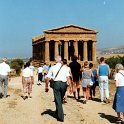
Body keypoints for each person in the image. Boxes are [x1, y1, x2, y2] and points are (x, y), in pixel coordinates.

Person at [45, 56, 71, 122]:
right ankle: (58, 113)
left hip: (56, 84)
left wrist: (46, 86)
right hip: (64, 85)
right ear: (61, 60)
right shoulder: (65, 68)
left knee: (58, 100)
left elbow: (47, 78)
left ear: (55, 60)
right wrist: (70, 86)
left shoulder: (52, 67)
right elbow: (68, 77)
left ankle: (61, 117)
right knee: (59, 99)